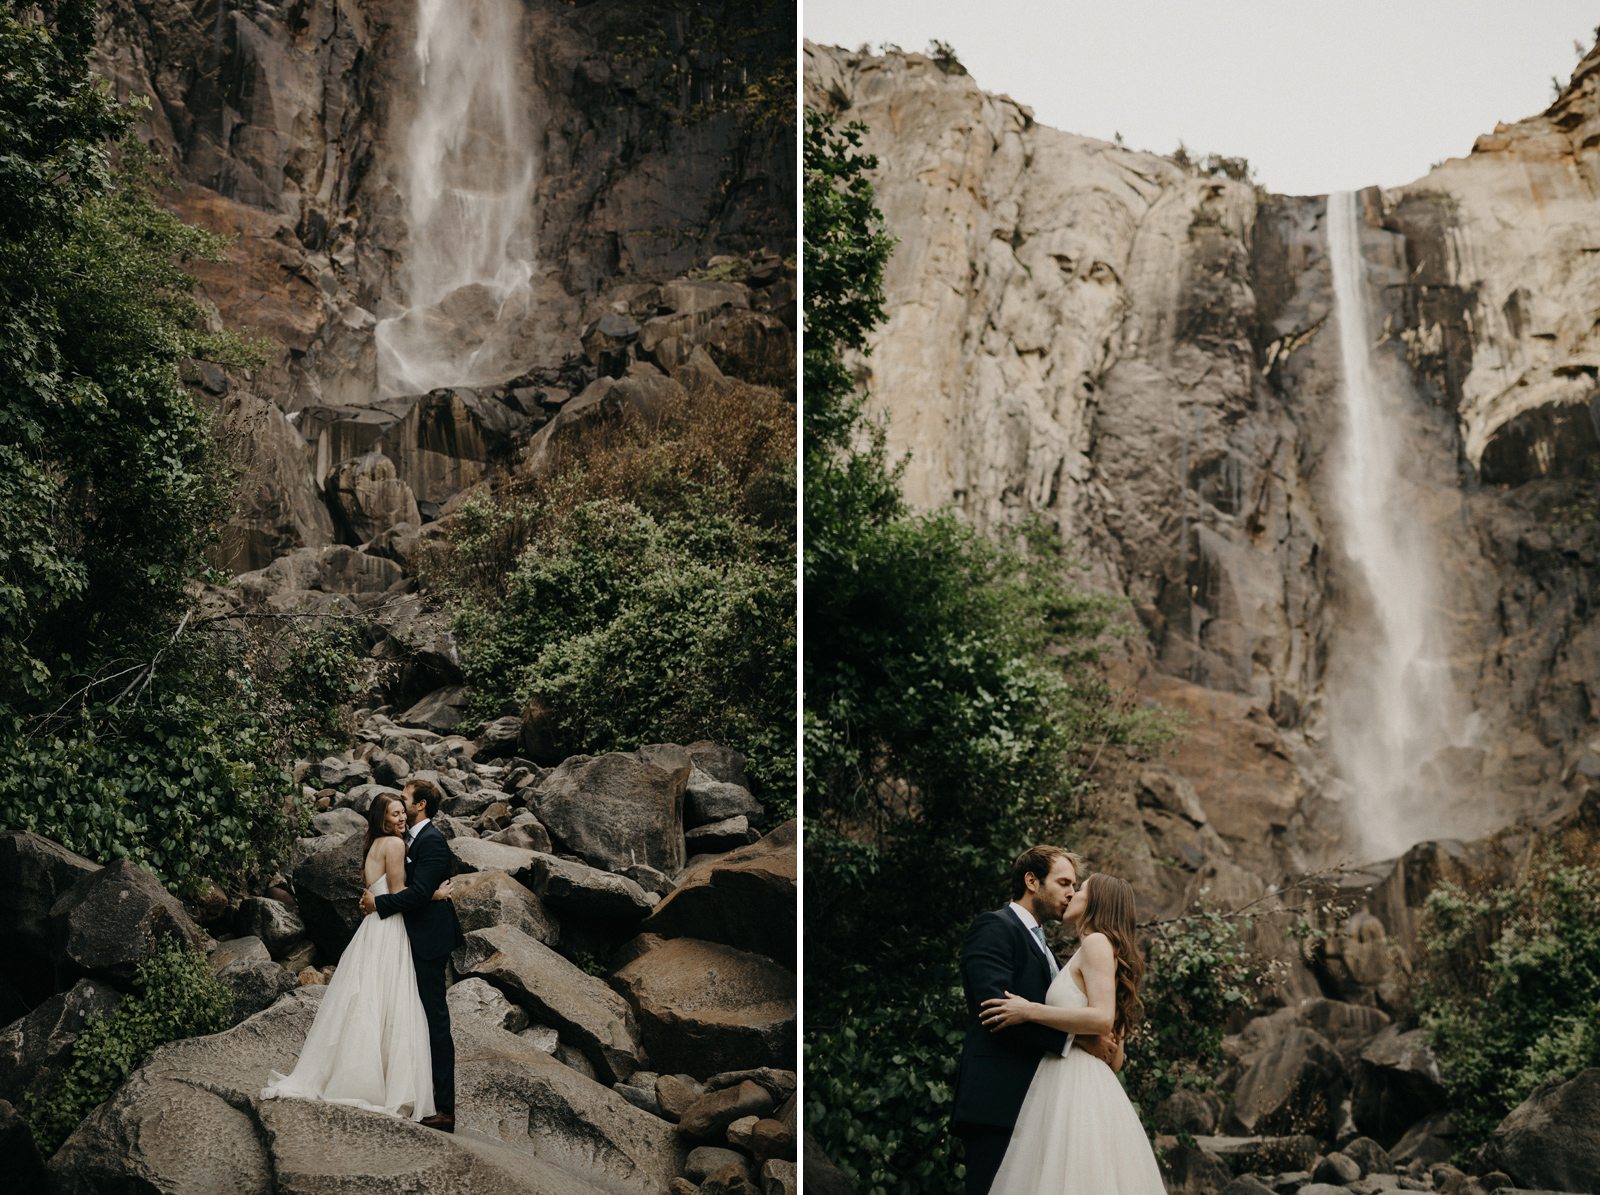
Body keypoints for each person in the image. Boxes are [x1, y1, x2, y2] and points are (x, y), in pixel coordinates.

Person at [261, 793, 454, 1120]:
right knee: (387, 1003)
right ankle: (379, 1083)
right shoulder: (393, 846)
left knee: (367, 1002)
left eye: (402, 811)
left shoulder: (373, 845)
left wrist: (377, 901)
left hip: (372, 930)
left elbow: (377, 890)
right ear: (383, 820)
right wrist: (434, 893)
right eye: (395, 814)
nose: (401, 817)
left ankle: (356, 1074)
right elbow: (397, 894)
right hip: (389, 929)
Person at [950, 846, 1124, 1195]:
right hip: (996, 1101)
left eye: (1075, 885)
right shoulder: (994, 927)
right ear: (1032, 881)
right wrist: (1077, 1040)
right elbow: (996, 1011)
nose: (1071, 893)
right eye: (1063, 882)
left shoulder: (1047, 949)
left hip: (1039, 1101)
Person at [979, 873, 1164, 1195]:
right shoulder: (1102, 950)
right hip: (1089, 1083)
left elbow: (1102, 1019)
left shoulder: (1095, 943)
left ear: (1096, 902)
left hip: (1073, 1083)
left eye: (1081, 889)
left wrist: (1029, 1010)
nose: (1072, 894)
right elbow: (1114, 1058)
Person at [358, 778, 465, 1132]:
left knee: (435, 1021)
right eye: (396, 807)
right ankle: (414, 1091)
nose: (402, 808)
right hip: (408, 936)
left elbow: (417, 893)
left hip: (428, 940)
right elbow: (416, 889)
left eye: (405, 801)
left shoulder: (432, 841)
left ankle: (444, 1109)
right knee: (408, 1015)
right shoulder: (405, 840)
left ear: (419, 805)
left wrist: (378, 903)